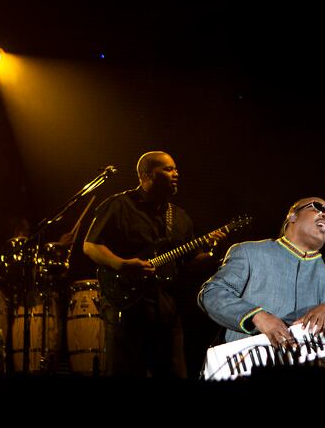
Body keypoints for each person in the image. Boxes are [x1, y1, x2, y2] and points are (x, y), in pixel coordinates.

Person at [82, 151, 225, 378]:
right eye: (168, 169)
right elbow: (90, 245)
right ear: (147, 174)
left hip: (167, 311)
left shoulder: (180, 217)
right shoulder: (119, 205)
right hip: (127, 308)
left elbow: (189, 263)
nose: (176, 174)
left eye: (176, 169)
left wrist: (214, 253)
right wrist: (121, 265)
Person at [198, 197, 325, 355]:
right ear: (292, 216)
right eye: (318, 208)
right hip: (245, 364)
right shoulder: (249, 252)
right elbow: (212, 293)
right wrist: (257, 316)